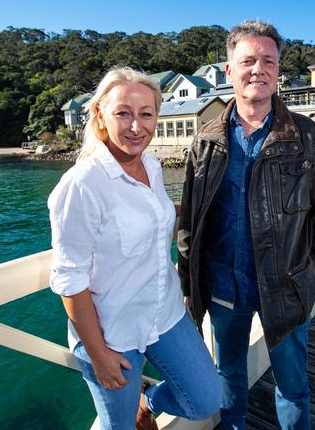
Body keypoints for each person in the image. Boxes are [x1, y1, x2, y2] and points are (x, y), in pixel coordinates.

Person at [178, 22, 315, 430]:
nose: (258, 69)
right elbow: (189, 222)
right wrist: (190, 285)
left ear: (278, 70)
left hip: (286, 288)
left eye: (268, 61)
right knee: (229, 375)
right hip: (222, 286)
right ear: (229, 69)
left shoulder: (307, 137)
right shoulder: (206, 139)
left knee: (292, 385)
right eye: (248, 61)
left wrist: (314, 279)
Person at [49, 68, 220, 430]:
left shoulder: (152, 165)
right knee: (120, 428)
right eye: (123, 113)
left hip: (165, 313)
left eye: (146, 114)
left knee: (206, 397)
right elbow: (69, 278)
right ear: (100, 116)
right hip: (112, 330)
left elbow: (157, 218)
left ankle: (151, 399)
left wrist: (210, 211)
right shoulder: (81, 184)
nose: (136, 126)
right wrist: (98, 355)